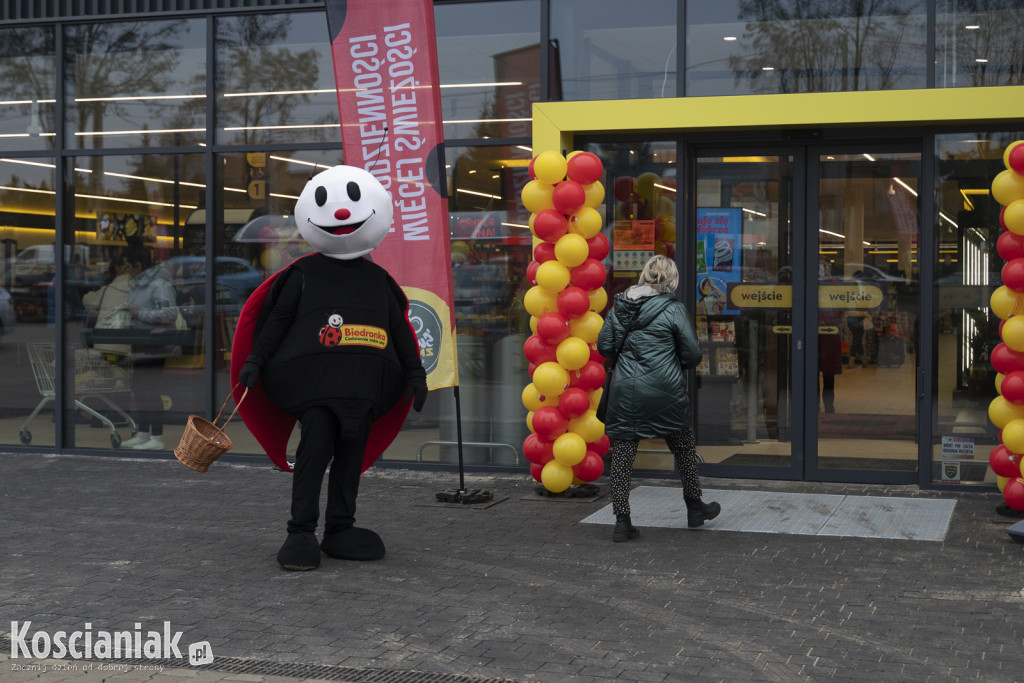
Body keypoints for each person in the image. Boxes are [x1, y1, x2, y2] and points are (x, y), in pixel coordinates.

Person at [596, 255, 719, 542]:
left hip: (625, 393)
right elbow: (692, 355)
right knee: (684, 450)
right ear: (671, 279)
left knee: (623, 457)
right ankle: (694, 508)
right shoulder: (674, 309)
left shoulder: (620, 306)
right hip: (666, 392)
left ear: (644, 276)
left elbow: (604, 346)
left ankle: (622, 522)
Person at [118, 241, 181, 451]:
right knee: (139, 388)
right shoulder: (138, 284)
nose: (125, 270)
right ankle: (144, 433)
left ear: (138, 264)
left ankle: (157, 437)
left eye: (128, 265)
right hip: (141, 340)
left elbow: (170, 313)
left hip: (157, 342)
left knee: (150, 389)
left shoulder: (159, 284)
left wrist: (139, 313)